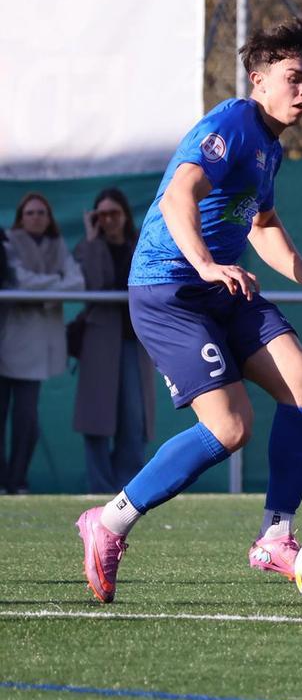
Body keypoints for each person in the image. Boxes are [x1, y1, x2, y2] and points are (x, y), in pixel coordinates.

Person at [75, 17, 302, 603]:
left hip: (221, 287)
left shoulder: (270, 145)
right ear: (259, 81)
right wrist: (204, 265)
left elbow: (262, 222)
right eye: (294, 78)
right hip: (168, 290)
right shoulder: (233, 123)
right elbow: (178, 194)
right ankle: (110, 521)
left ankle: (276, 535)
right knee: (230, 427)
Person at [0, 193, 86, 494]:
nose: (36, 217)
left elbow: (76, 282)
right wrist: (55, 282)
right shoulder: (8, 242)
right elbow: (17, 281)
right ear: (20, 217)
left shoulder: (57, 244)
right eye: (30, 213)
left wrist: (42, 290)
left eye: (41, 213)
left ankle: (17, 481)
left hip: (38, 348)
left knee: (26, 422)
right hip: (9, 340)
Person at [73, 188, 157, 494]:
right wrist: (93, 240)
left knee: (134, 423)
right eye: (102, 215)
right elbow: (95, 282)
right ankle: (99, 489)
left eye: (114, 213)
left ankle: (126, 493)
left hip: (136, 342)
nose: (109, 220)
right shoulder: (88, 247)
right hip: (99, 341)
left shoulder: (141, 245)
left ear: (124, 215)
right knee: (96, 421)